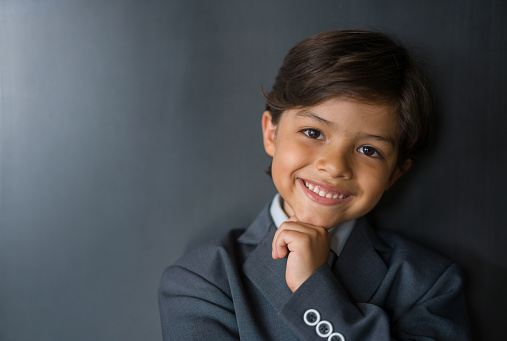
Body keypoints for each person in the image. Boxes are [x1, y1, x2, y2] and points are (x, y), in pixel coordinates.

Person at [158, 29, 471, 340]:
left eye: (368, 150)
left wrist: (314, 291)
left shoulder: (429, 285)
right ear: (271, 133)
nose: (334, 166)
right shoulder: (202, 280)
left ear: (394, 174)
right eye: (313, 133)